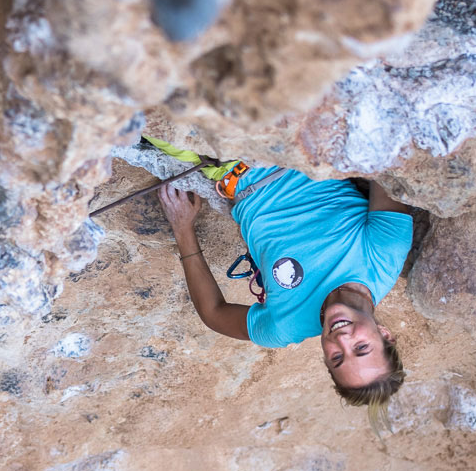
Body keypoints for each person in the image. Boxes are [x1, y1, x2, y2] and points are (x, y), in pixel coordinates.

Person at [156, 162, 414, 409]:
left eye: (337, 358)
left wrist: (183, 229)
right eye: (361, 348)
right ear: (384, 334)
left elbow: (213, 313)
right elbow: (385, 163)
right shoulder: (384, 253)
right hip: (286, 147)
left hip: (224, 170)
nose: (343, 340)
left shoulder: (284, 325)